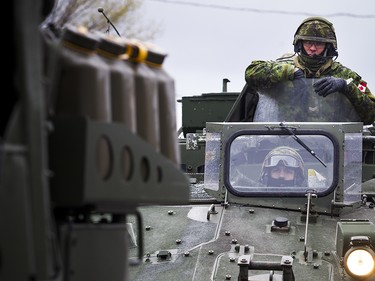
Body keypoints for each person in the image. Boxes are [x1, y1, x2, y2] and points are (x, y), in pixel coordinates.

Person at [245, 16, 375, 125]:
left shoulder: (348, 76)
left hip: (331, 144)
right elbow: (251, 72)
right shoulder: (284, 66)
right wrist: (289, 72)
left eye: (318, 44)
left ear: (328, 46)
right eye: (308, 42)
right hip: (287, 140)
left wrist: (346, 86)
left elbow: (371, 114)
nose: (312, 48)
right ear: (299, 44)